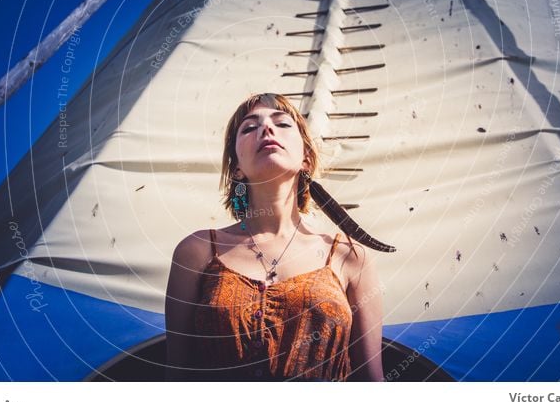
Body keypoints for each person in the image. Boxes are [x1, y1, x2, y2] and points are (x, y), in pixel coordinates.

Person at [164, 92, 396, 381]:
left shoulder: (349, 257)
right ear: (236, 166)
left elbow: (371, 382)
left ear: (306, 160)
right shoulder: (197, 252)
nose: (266, 129)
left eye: (282, 124)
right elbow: (177, 377)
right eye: (249, 127)